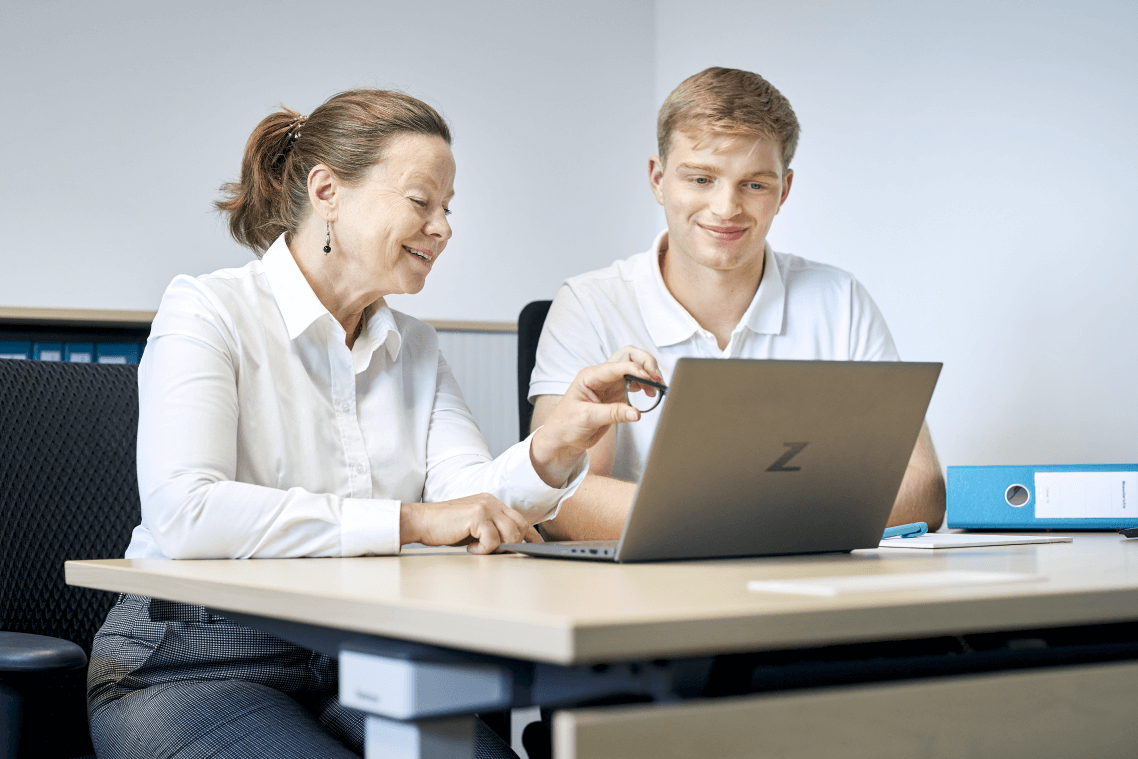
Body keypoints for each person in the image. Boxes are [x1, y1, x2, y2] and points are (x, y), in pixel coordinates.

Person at [86, 89, 658, 759]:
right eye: (421, 202)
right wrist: (410, 522)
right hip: (190, 662)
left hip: (357, 660)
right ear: (327, 190)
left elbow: (469, 498)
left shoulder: (414, 345)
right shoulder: (208, 311)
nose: (442, 227)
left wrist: (554, 446)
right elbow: (186, 512)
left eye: (448, 208)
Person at [529, 67, 946, 542]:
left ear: (783, 191)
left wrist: (726, 520)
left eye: (755, 185)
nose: (726, 208)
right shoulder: (590, 304)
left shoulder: (840, 301)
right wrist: (780, 517)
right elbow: (562, 497)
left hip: (806, 590)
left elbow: (923, 486)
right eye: (702, 179)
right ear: (658, 179)